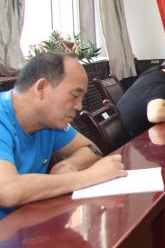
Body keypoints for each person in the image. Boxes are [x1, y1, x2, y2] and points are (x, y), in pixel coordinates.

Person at [0, 53, 126, 218]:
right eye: (74, 95)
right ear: (41, 88)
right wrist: (89, 176)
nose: (79, 106)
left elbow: (91, 149)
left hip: (29, 221)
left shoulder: (49, 122)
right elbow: (8, 191)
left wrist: (69, 165)